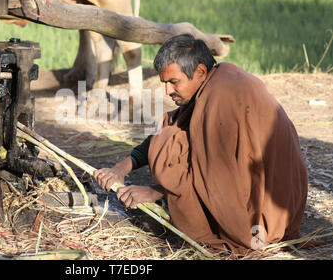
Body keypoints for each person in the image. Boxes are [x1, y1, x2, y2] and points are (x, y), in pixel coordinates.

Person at [94, 33, 308, 253]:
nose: (168, 91)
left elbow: (224, 179)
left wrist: (156, 191)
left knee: (172, 146)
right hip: (285, 203)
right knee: (171, 136)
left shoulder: (221, 100)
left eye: (173, 82)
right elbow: (170, 130)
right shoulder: (218, 78)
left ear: (200, 72)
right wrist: (123, 167)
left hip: (262, 219)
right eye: (164, 83)